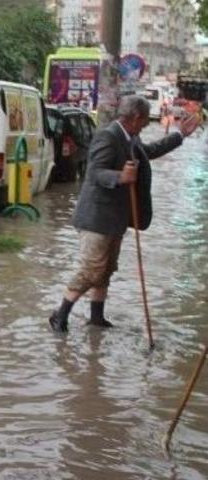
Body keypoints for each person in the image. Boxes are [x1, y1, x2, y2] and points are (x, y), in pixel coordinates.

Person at [48, 95, 200, 333]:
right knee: (92, 269)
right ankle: (61, 313)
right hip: (97, 217)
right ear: (136, 117)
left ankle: (96, 317)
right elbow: (95, 172)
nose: (146, 125)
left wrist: (179, 135)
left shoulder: (131, 137)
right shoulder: (108, 136)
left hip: (116, 217)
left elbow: (148, 151)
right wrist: (120, 177)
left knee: (106, 269)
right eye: (145, 121)